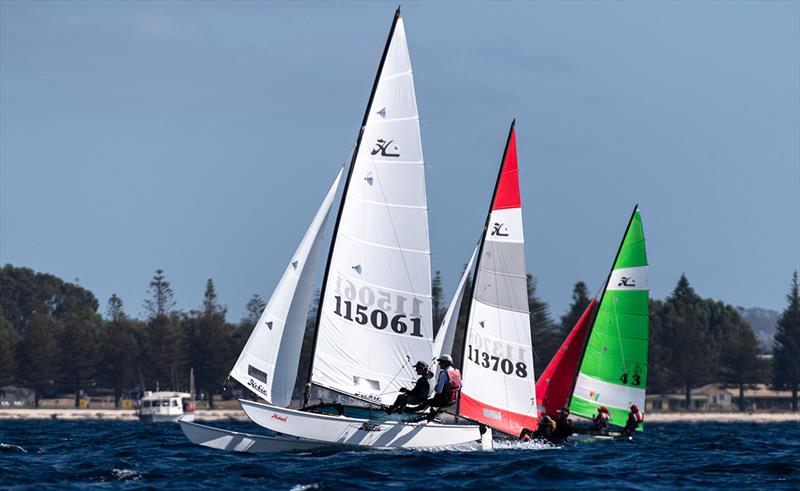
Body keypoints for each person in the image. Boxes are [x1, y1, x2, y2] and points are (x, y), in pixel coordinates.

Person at [404, 354, 461, 421]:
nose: (439, 364)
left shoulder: (444, 374)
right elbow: (460, 386)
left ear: (446, 363)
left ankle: (409, 411)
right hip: (453, 400)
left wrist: (434, 387)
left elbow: (438, 390)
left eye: (441, 362)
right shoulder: (457, 372)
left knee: (427, 403)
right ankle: (436, 413)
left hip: (444, 401)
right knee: (432, 401)